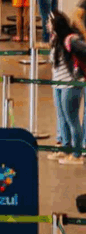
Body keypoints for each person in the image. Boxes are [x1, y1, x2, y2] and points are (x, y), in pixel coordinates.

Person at [49, 10, 86, 163]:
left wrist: (79, 74)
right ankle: (66, 149)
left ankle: (76, 154)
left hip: (70, 84)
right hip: (58, 83)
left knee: (72, 120)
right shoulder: (56, 39)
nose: (46, 25)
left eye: (49, 22)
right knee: (62, 118)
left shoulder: (70, 39)